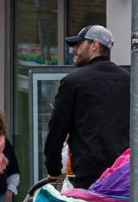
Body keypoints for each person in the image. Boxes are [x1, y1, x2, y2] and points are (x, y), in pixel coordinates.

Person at [44, 25, 130, 189]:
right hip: (124, 177)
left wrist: (53, 169)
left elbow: (57, 130)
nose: (73, 50)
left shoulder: (72, 82)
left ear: (94, 45)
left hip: (90, 177)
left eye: (78, 44)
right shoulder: (129, 81)